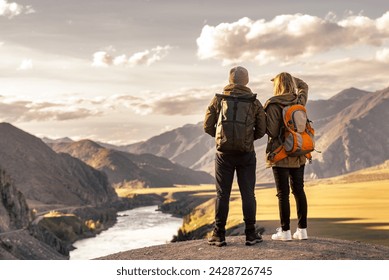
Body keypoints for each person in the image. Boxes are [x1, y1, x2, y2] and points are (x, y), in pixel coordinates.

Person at [203, 66, 266, 246]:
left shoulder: (218, 100)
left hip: (223, 155)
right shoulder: (254, 102)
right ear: (246, 81)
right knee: (248, 194)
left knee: (222, 194)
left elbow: (207, 126)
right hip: (246, 154)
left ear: (230, 80)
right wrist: (247, 139)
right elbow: (262, 129)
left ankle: (219, 235)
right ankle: (251, 234)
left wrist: (222, 139)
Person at [264, 72, 309, 241]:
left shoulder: (273, 104)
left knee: (283, 194)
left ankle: (285, 232)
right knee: (299, 190)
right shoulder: (299, 100)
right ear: (291, 84)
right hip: (299, 153)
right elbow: (304, 86)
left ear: (277, 86)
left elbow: (273, 132)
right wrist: (293, 79)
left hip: (280, 155)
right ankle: (302, 230)